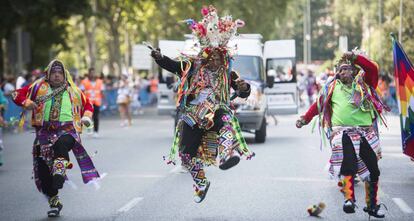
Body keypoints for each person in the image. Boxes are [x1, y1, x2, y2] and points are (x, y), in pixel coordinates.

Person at [150, 5, 254, 203]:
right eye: (212, 55)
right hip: (193, 114)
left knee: (225, 118)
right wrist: (159, 57)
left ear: (224, 56)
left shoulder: (228, 73)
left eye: (219, 56)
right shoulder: (191, 66)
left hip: (216, 109)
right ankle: (201, 182)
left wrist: (243, 87)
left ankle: (225, 156)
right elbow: (172, 65)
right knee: (185, 155)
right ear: (205, 54)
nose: (215, 59)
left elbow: (243, 92)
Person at [296, 51, 389, 218]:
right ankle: (349, 199)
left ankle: (372, 205)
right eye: (339, 70)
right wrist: (305, 119)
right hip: (342, 133)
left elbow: (373, 69)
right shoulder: (331, 88)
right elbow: (317, 106)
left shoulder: (365, 84)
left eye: (346, 69)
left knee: (374, 170)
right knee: (348, 165)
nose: (342, 72)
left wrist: (355, 57)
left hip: (365, 133)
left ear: (353, 70)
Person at [11, 59, 100, 217]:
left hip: (68, 130)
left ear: (64, 75)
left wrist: (86, 117)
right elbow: (16, 94)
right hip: (44, 133)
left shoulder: (73, 90)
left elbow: (88, 105)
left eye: (60, 73)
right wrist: (26, 101)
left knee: (61, 144)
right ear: (48, 75)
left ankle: (59, 171)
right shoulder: (38, 87)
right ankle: (54, 201)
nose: (57, 76)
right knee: (43, 172)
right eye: (54, 73)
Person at [80, 68, 104, 137]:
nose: (92, 74)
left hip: (97, 102)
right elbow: (81, 92)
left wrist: (104, 101)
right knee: (88, 117)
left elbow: (102, 91)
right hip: (88, 103)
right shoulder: (84, 81)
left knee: (96, 117)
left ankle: (96, 131)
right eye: (91, 73)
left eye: (94, 73)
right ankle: (89, 130)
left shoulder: (100, 81)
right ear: (89, 73)